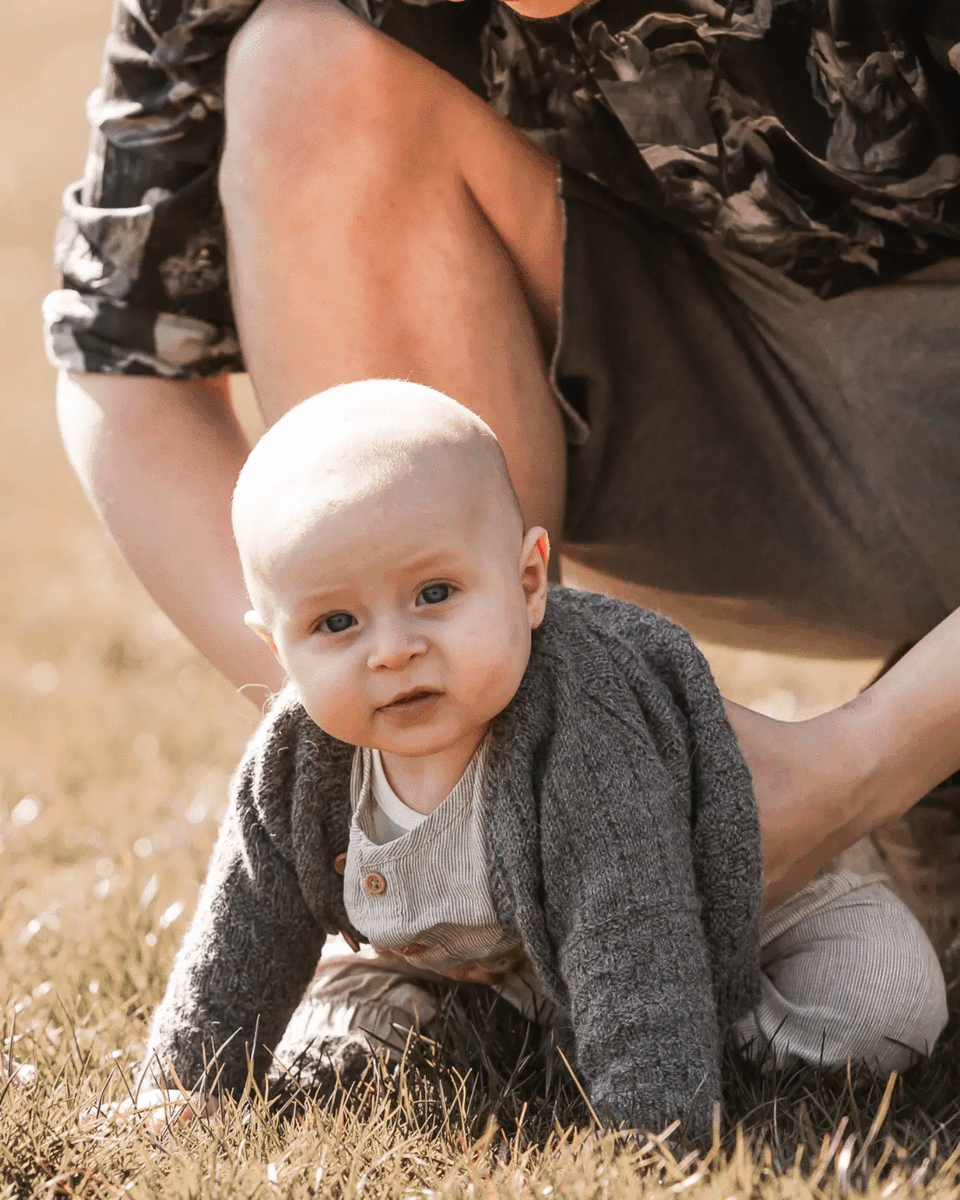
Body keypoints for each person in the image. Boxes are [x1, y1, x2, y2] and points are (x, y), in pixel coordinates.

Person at [45, 0, 960, 906]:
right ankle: (490, 862)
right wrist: (377, 723)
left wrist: (858, 766)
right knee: (306, 68)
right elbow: (124, 360)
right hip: (729, 412)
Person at [135, 382, 946, 1137]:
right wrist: (187, 1078)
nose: (394, 650)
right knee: (341, 1053)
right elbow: (249, 912)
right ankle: (475, 1014)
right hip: (501, 961)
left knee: (884, 1001)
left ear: (527, 582)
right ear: (277, 645)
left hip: (726, 915)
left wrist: (651, 1129)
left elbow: (634, 929)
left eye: (434, 594)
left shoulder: (579, 731)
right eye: (337, 623)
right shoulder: (296, 760)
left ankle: (701, 1033)